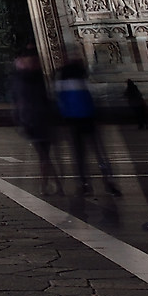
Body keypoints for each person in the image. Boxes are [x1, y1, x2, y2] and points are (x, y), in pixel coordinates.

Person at [54, 57, 119, 195]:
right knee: (99, 153)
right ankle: (108, 180)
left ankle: (83, 183)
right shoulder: (85, 81)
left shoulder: (62, 83)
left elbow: (60, 103)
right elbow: (96, 97)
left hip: (73, 122)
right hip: (89, 120)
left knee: (79, 155)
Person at [8, 49, 61, 193]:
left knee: (44, 155)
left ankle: (46, 185)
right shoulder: (25, 79)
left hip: (38, 122)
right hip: (34, 122)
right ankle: (52, 184)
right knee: (44, 155)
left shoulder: (33, 79)